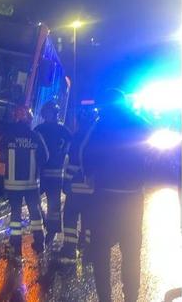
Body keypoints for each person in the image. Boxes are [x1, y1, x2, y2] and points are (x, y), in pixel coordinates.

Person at [86, 88, 151, 302]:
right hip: (133, 198)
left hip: (105, 198)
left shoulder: (99, 126)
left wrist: (90, 174)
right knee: (131, 252)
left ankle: (105, 298)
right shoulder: (139, 123)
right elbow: (152, 149)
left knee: (100, 252)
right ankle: (131, 296)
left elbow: (85, 154)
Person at [0, 105, 49, 255]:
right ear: (29, 119)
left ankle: (15, 245)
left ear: (14, 118)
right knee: (35, 212)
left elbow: (0, 157)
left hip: (13, 184)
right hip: (31, 184)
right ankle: (39, 242)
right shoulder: (35, 136)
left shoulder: (7, 137)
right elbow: (45, 158)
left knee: (16, 214)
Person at [60, 106, 99, 264]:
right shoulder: (98, 138)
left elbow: (68, 161)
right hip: (91, 189)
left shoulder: (75, 137)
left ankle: (69, 249)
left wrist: (65, 182)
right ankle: (89, 251)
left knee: (70, 218)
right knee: (89, 220)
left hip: (74, 189)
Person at [34, 102, 71, 243]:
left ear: (55, 114)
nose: (48, 115)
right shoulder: (39, 129)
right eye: (46, 113)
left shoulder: (62, 130)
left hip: (54, 173)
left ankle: (52, 230)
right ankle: (43, 220)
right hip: (40, 172)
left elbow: (69, 149)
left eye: (50, 113)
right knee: (34, 200)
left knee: (54, 204)